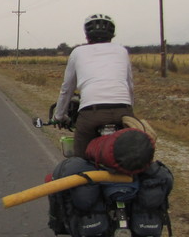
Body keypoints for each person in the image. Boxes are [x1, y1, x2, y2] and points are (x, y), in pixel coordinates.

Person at [53, 14, 135, 157]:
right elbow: (130, 87)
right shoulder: (122, 51)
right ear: (112, 34)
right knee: (131, 155)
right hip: (123, 111)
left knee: (80, 158)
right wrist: (128, 111)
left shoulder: (77, 52)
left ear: (87, 35)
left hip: (91, 112)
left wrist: (59, 115)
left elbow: (67, 89)